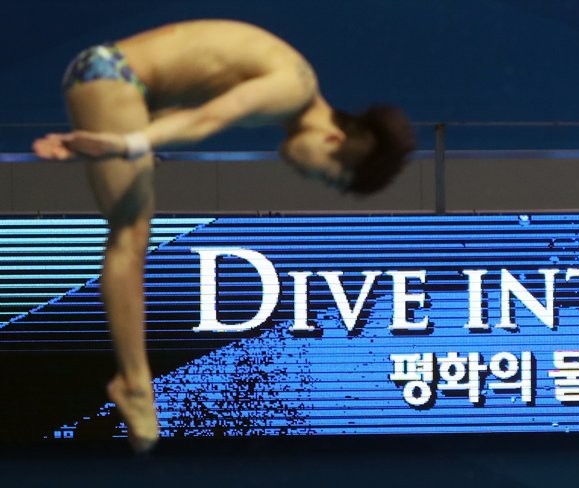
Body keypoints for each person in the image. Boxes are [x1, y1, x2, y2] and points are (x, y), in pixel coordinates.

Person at [32, 19, 416, 452]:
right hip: (112, 77)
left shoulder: (290, 89)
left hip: (120, 83)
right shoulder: (293, 88)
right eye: (325, 175)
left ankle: (134, 382)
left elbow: (189, 98)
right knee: (130, 233)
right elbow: (207, 119)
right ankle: (135, 384)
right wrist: (127, 144)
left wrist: (137, 137)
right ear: (333, 138)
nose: (307, 176)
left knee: (135, 217)